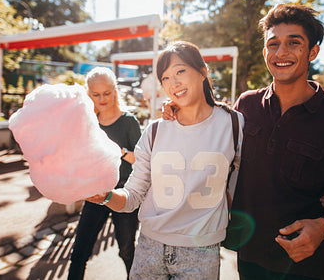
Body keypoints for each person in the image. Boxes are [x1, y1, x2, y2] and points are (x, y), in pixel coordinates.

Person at [229, 4, 324, 280]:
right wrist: (176, 113)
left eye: (294, 43)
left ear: (313, 52)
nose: (281, 52)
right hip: (248, 257)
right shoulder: (246, 104)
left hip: (304, 265)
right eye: (274, 44)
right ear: (265, 51)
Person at [87, 41, 245, 279]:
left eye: (180, 71)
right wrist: (106, 196)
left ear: (203, 71)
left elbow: (247, 184)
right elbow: (133, 196)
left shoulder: (234, 124)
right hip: (149, 248)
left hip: (201, 253)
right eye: (166, 78)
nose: (174, 83)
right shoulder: (155, 130)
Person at [68, 67, 141, 280]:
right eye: (96, 94)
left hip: (125, 192)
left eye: (106, 93)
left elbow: (141, 160)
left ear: (115, 91)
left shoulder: (128, 121)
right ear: (88, 94)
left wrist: (119, 151)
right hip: (95, 193)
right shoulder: (88, 122)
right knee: (79, 250)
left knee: (127, 251)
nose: (102, 99)